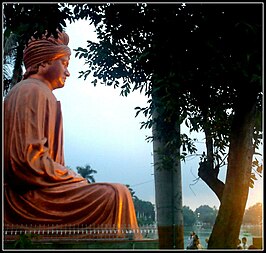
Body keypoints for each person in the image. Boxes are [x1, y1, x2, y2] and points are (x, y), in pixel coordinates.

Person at [4, 29, 142, 239]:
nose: (68, 72)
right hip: (28, 196)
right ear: (45, 62)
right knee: (116, 195)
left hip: (44, 189)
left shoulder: (39, 92)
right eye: (65, 63)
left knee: (116, 194)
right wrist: (72, 177)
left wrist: (68, 178)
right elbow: (26, 161)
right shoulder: (31, 91)